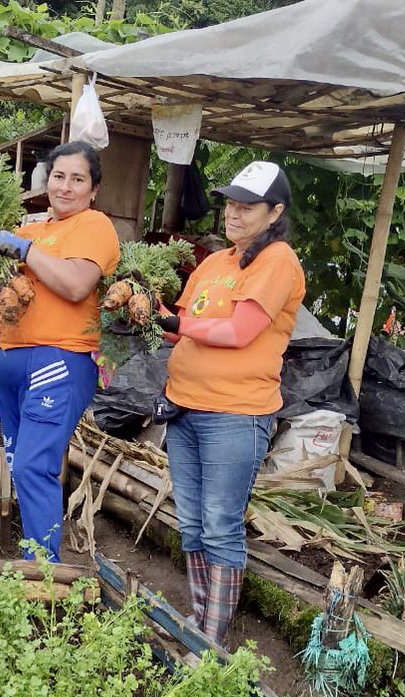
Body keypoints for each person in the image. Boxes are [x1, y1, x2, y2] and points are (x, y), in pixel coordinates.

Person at [156, 161, 306, 645]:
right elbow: (176, 317)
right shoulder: (216, 262)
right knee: (192, 523)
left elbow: (239, 333)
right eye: (230, 204)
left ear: (275, 211)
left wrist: (175, 326)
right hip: (184, 407)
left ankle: (211, 644)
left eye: (247, 207)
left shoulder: (277, 260)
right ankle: (203, 627)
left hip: (236, 413)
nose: (233, 215)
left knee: (220, 525)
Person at [0, 141, 120, 561]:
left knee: (34, 466)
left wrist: (22, 251)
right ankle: (32, 558)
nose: (66, 187)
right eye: (59, 176)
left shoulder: (94, 226)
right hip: (9, 363)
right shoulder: (31, 229)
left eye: (78, 179)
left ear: (94, 190)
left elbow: (75, 285)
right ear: (47, 180)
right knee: (20, 463)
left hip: (57, 360)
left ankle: (42, 572)